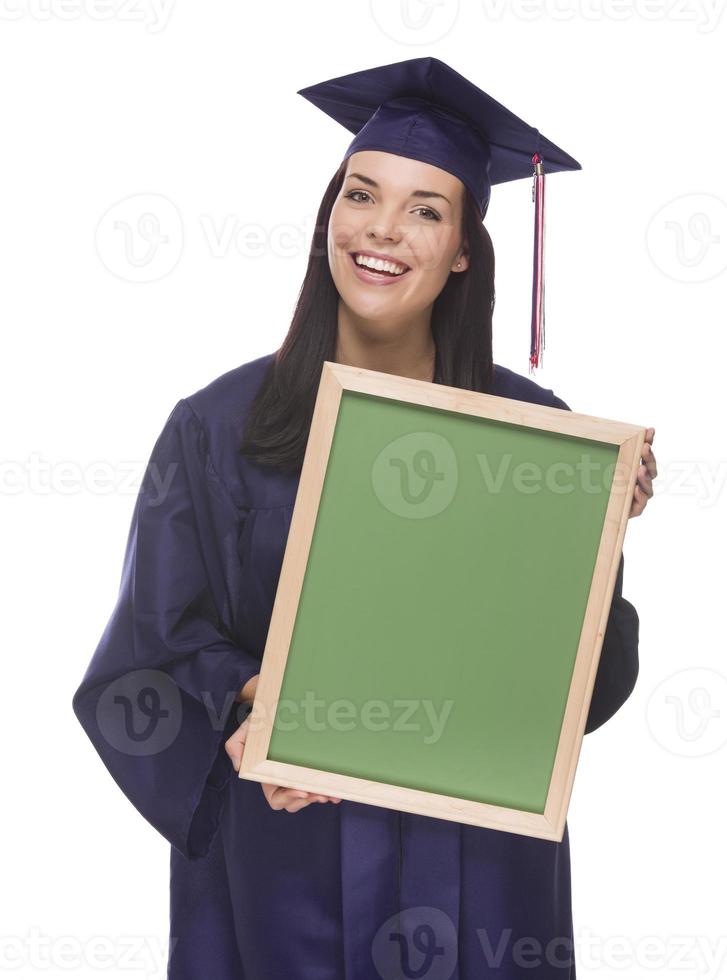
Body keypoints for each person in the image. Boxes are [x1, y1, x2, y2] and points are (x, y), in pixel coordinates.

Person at [72, 57, 657, 980]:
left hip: (479, 871)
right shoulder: (215, 427)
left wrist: (591, 541)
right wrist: (256, 696)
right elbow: (151, 650)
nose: (382, 230)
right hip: (286, 857)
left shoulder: (539, 438)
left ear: (465, 247)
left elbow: (585, 685)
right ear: (328, 218)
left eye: (426, 208)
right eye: (360, 195)